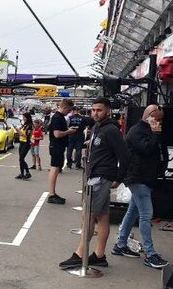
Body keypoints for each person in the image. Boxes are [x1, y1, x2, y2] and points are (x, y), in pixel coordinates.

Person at [59, 97, 130, 269]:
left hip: (101, 176)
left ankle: (79, 254)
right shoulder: (98, 127)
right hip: (95, 175)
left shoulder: (112, 130)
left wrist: (118, 178)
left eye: (99, 110)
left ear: (108, 111)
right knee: (103, 217)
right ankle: (99, 255)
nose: (95, 113)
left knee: (89, 216)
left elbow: (125, 156)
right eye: (93, 110)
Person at [112, 105, 169, 269]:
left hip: (145, 177)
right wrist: (156, 135)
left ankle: (120, 244)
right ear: (150, 116)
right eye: (157, 118)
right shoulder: (137, 131)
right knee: (146, 214)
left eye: (161, 119)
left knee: (134, 211)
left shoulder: (144, 130)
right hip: (138, 177)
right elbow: (148, 148)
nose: (159, 122)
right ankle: (150, 254)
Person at [47, 98, 79, 204]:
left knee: (56, 168)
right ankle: (51, 194)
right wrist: (69, 131)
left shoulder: (59, 117)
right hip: (56, 145)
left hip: (58, 146)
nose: (69, 112)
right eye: (68, 110)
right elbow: (57, 134)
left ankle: (52, 193)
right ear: (64, 107)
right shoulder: (57, 118)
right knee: (55, 168)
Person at [15, 112, 33, 180]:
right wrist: (18, 130)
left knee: (21, 158)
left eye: (24, 117)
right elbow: (21, 133)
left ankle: (28, 173)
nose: (23, 118)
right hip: (21, 142)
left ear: (27, 118)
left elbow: (26, 136)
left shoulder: (30, 126)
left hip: (26, 143)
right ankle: (22, 173)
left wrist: (19, 131)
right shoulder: (24, 124)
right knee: (20, 159)